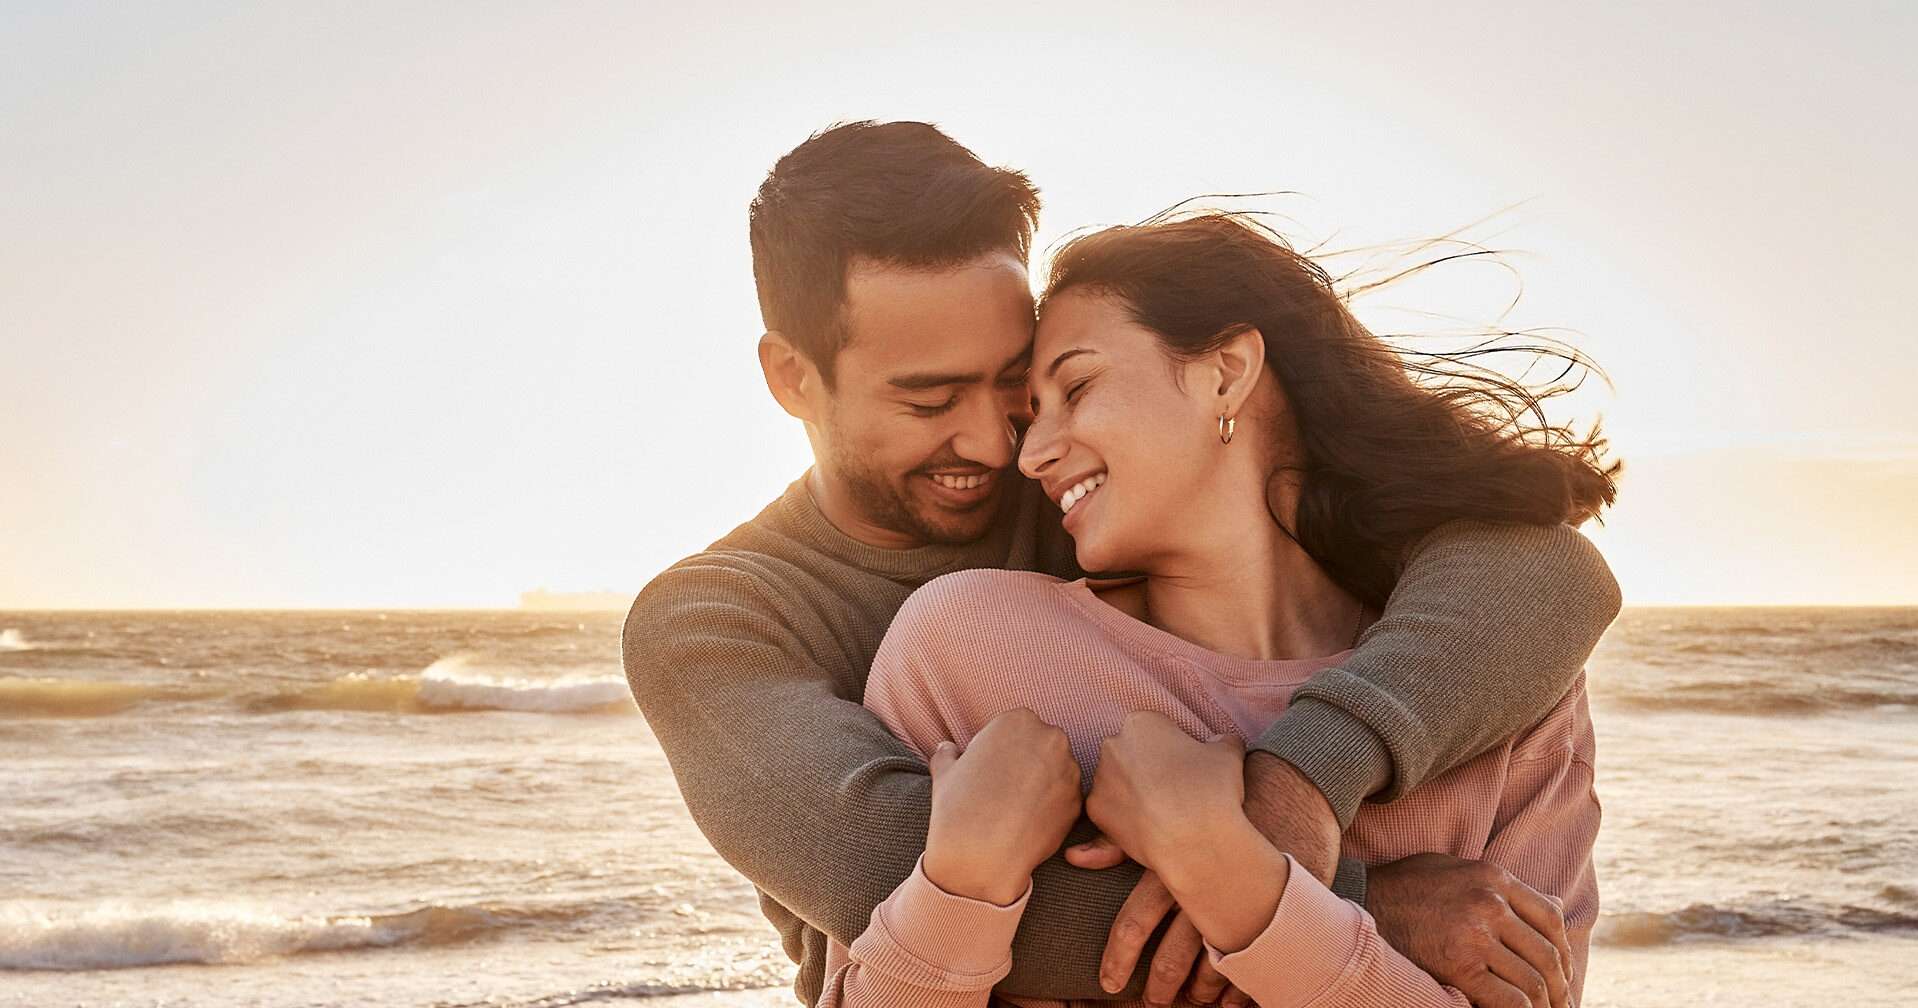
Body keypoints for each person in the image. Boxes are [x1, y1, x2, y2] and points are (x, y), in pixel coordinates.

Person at [621, 121, 1623, 1008]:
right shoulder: (715, 621)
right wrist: (1359, 905)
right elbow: (882, 864)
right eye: (928, 401)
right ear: (791, 376)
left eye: (1015, 380)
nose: (997, 442)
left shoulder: (1109, 490)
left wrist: (1300, 787)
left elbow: (1537, 575)